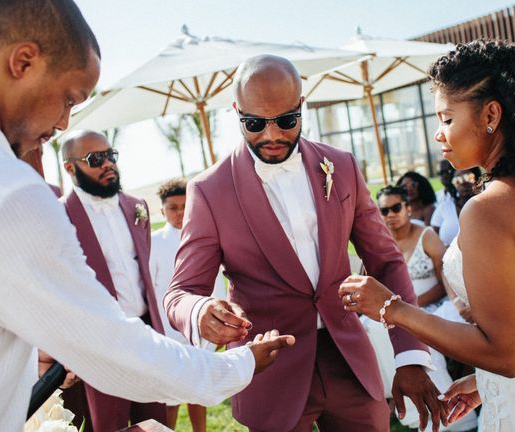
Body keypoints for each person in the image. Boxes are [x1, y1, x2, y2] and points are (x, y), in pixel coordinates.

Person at [0, 0, 293, 431]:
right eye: (69, 99)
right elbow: (110, 347)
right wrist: (237, 367)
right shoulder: (9, 193)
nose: (62, 123)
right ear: (23, 62)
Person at [165, 54, 445, 432]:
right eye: (254, 123)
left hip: (349, 359)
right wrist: (200, 312)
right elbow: (181, 292)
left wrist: (409, 354)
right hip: (269, 369)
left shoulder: (341, 166)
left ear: (301, 106)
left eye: (286, 120)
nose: (272, 136)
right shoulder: (209, 190)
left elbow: (385, 262)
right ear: (236, 112)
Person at [339, 40, 515, 431]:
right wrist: (485, 383)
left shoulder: (489, 210)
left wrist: (391, 307)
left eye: (446, 118)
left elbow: (504, 353)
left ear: (491, 115)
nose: (438, 134)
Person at [57, 131, 168, 430]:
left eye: (111, 156)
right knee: (109, 424)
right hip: (101, 343)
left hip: (147, 336)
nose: (108, 164)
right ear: (70, 167)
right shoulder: (58, 216)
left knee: (155, 421)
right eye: (96, 159)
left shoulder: (136, 207)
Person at [370, 185, 477, 431]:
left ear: (408, 208)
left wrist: (410, 307)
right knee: (370, 328)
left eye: (396, 207)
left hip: (434, 305)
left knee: (424, 336)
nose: (390, 214)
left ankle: (445, 406)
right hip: (397, 310)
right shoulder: (378, 241)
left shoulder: (426, 235)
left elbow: (445, 280)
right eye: (384, 210)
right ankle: (405, 407)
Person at [149, 178, 225, 430]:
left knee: (197, 389)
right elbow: (151, 287)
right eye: (173, 207)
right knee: (170, 395)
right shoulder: (154, 242)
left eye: (185, 206)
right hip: (168, 330)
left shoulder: (205, 235)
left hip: (201, 326)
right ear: (162, 210)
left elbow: (216, 283)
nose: (180, 212)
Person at [431, 168, 481, 247]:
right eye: (457, 180)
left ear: (478, 180)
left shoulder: (486, 205)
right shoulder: (444, 207)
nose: (464, 183)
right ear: (453, 184)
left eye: (468, 177)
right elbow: (433, 236)